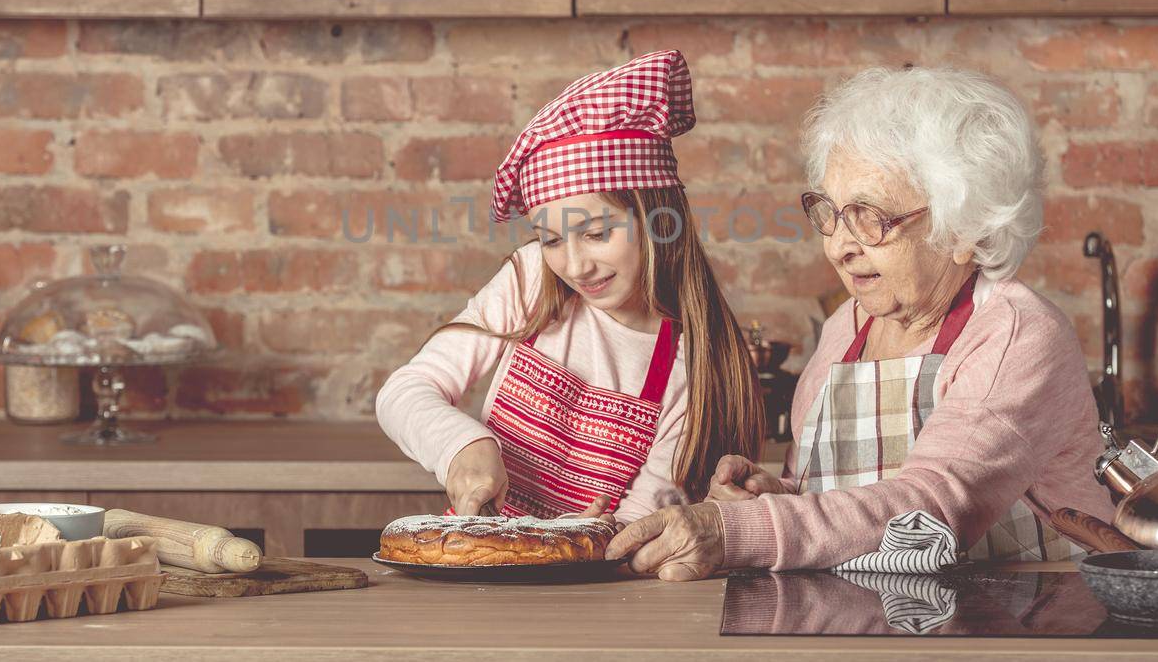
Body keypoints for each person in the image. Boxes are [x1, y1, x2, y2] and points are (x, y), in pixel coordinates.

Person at [608, 65, 1115, 578]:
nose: (837, 246)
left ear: (966, 227)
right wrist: (766, 496)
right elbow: (829, 499)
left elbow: (931, 506)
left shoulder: (1015, 333)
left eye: (870, 217)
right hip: (876, 617)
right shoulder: (845, 328)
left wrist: (739, 532)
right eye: (830, 212)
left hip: (1025, 621)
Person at [376, 49, 763, 523]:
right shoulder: (532, 278)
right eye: (553, 238)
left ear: (662, 220)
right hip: (479, 570)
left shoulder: (694, 364)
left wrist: (597, 535)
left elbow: (646, 527)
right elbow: (405, 391)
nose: (575, 266)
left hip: (598, 592)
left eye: (597, 233)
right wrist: (465, 446)